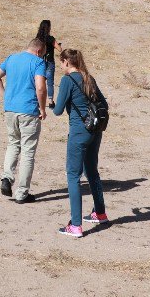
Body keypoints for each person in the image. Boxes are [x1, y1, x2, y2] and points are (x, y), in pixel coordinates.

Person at [53, 48, 109, 238]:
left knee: (73, 175)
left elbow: (58, 110)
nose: (60, 66)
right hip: (95, 131)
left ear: (67, 62)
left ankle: (75, 225)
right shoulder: (89, 78)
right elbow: (104, 104)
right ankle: (100, 212)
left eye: (61, 63)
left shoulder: (67, 80)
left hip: (79, 132)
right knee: (91, 171)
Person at [0, 37, 47, 204]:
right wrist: (42, 108)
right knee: (28, 151)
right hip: (29, 111)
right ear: (38, 51)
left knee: (13, 144)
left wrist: (6, 97)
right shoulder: (38, 63)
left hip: (10, 109)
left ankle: (7, 177)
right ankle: (22, 193)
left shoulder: (12, 58)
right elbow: (40, 87)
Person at [36, 19, 61, 108]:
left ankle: (38, 101)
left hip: (40, 62)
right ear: (48, 28)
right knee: (50, 83)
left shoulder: (37, 38)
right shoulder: (51, 39)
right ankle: (50, 102)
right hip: (49, 62)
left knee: (39, 82)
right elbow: (60, 49)